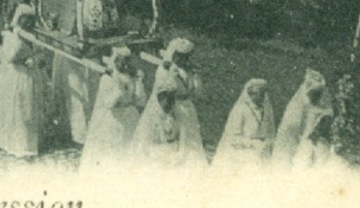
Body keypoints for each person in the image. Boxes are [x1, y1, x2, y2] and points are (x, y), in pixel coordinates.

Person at [138, 38, 207, 167]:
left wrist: (196, 77)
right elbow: (164, 92)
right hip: (173, 107)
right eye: (180, 57)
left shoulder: (188, 71)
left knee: (190, 141)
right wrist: (173, 73)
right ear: (173, 55)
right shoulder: (164, 70)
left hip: (188, 109)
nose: (184, 60)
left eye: (186, 57)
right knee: (176, 141)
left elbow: (196, 94)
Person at [80, 46, 147, 173]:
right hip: (113, 118)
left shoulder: (131, 77)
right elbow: (107, 103)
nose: (124, 64)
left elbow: (140, 100)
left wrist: (139, 82)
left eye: (127, 61)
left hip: (130, 117)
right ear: (115, 61)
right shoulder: (107, 78)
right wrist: (119, 89)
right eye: (120, 61)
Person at [0, 5, 43, 158]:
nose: (28, 23)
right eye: (25, 20)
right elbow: (8, 55)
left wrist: (34, 59)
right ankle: (7, 141)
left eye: (30, 20)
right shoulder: (9, 36)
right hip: (12, 76)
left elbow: (41, 54)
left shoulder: (34, 37)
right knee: (11, 107)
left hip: (27, 76)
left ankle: (25, 144)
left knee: (25, 109)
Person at [212, 78, 277, 171]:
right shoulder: (241, 110)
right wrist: (252, 144)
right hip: (245, 153)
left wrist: (268, 142)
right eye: (259, 93)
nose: (262, 97)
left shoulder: (267, 111)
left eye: (264, 93)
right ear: (250, 93)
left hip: (263, 153)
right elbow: (233, 138)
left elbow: (270, 132)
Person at [272, 69, 332, 167]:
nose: (318, 96)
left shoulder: (324, 109)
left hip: (320, 144)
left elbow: (326, 128)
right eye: (315, 93)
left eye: (319, 93)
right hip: (303, 143)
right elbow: (292, 129)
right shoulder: (299, 107)